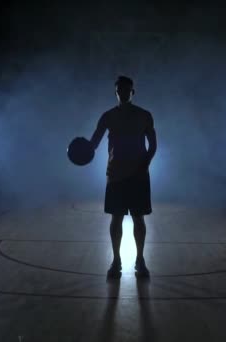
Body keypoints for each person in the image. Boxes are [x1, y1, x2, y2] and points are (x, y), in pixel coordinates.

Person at [89, 75, 157, 278]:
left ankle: (140, 260)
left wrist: (144, 164)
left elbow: (153, 145)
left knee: (139, 219)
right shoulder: (108, 116)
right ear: (116, 92)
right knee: (116, 218)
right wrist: (79, 149)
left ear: (133, 92)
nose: (124, 92)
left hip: (138, 176)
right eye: (120, 89)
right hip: (116, 175)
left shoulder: (144, 115)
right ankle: (116, 260)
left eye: (127, 89)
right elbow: (93, 144)